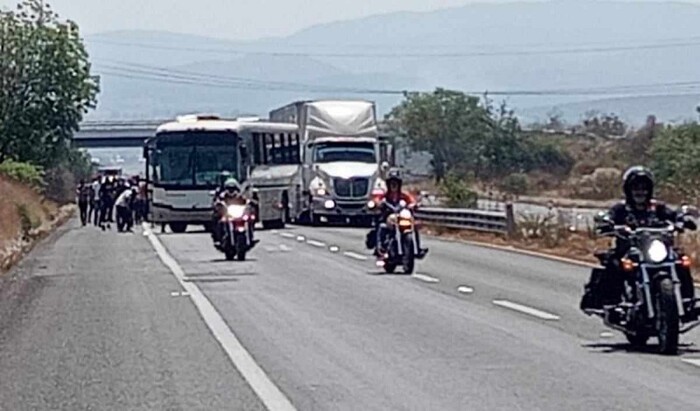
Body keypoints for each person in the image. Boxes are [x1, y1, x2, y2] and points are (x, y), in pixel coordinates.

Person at [581, 166, 697, 315]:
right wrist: (609, 224)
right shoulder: (621, 209)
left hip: (657, 251)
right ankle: (612, 303)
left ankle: (688, 301)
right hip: (629, 251)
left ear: (650, 190)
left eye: (644, 188)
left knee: (682, 261)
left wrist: (682, 220)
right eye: (635, 187)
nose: (640, 191)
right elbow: (608, 217)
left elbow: (674, 215)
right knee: (614, 264)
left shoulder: (657, 208)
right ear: (628, 189)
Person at [367, 169, 427, 258]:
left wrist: (414, 204)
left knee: (413, 226)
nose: (393, 185)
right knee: (381, 226)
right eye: (391, 182)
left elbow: (412, 200)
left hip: (402, 217)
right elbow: (377, 200)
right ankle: (380, 248)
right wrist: (377, 203)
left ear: (399, 184)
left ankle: (417, 249)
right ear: (388, 184)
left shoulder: (403, 195)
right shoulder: (385, 196)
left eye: (396, 182)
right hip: (389, 218)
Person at [211, 176, 256, 247]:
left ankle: (250, 237)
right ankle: (218, 239)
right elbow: (216, 202)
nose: (231, 190)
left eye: (233, 188)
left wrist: (251, 202)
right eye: (229, 188)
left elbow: (246, 201)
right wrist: (217, 203)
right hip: (227, 214)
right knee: (218, 221)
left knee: (250, 219)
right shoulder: (222, 196)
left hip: (238, 215)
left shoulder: (239, 196)